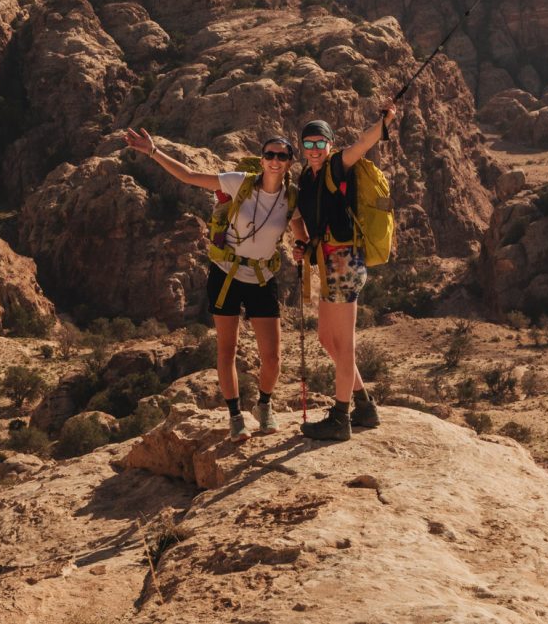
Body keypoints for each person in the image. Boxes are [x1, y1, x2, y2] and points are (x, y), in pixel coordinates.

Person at [123, 127, 294, 438]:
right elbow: (188, 175)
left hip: (261, 277)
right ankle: (235, 416)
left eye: (281, 156)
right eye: (269, 154)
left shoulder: (289, 198)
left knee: (272, 357)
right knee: (227, 349)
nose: (274, 160)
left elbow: (302, 231)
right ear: (261, 158)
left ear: (290, 163)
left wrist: (306, 246)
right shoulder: (239, 182)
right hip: (225, 274)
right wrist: (152, 151)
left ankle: (265, 406)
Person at [288, 106, 393, 442]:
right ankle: (364, 406)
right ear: (303, 147)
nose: (316, 149)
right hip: (325, 260)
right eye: (310, 144)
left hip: (345, 260)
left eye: (321, 143)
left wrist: (384, 122)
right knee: (326, 339)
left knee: (344, 344)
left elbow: (363, 143)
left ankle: (340, 417)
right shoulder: (306, 177)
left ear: (330, 145)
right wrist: (302, 243)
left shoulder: (338, 165)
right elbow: (302, 220)